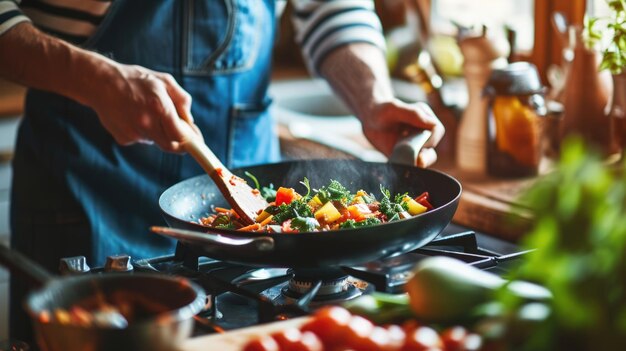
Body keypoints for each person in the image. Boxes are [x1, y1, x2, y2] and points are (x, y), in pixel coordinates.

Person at [0, 0, 444, 340]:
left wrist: (373, 99)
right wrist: (93, 78)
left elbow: (331, 7)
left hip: (254, 241)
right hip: (84, 187)